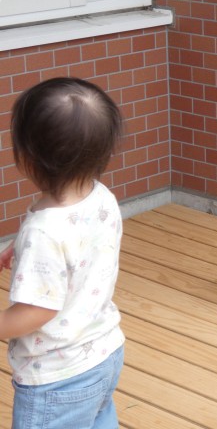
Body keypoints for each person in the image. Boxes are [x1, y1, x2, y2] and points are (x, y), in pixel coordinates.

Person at [0, 77, 125, 429]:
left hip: (57, 376)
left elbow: (38, 309)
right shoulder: (101, 196)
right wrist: (19, 247)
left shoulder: (44, 231)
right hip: (104, 350)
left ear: (28, 159)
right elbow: (78, 243)